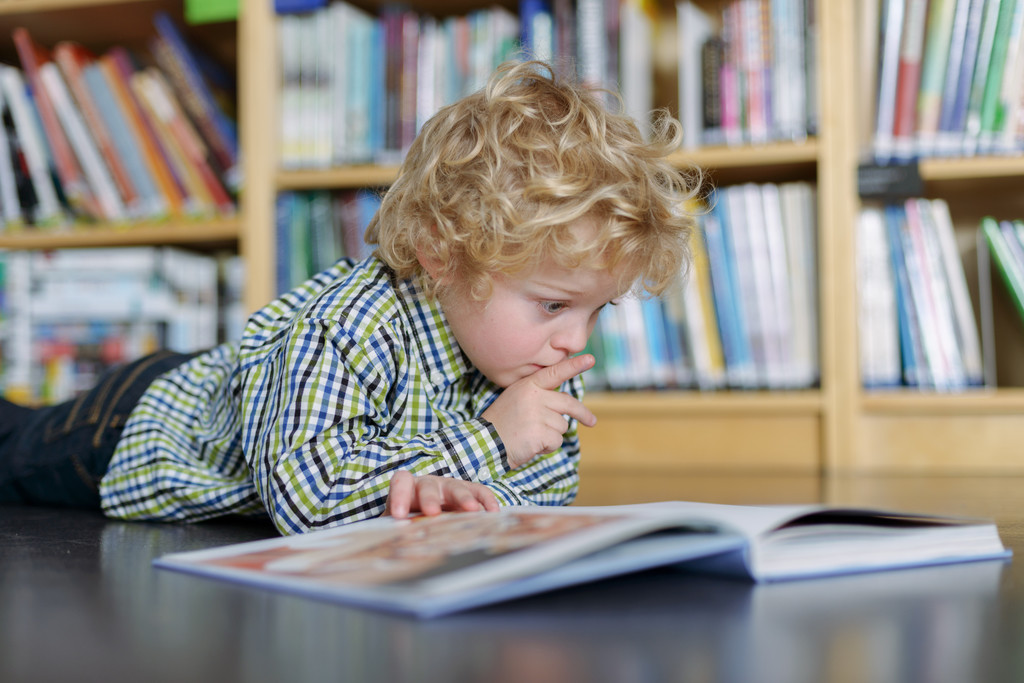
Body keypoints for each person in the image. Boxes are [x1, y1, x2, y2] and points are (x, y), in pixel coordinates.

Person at [0, 60, 697, 535]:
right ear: (442, 253)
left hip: (236, 389)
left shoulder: (527, 366)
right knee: (14, 451)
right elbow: (306, 496)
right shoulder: (351, 323)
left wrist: (457, 489)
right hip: (139, 423)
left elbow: (541, 491)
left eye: (595, 309)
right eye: (552, 304)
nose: (576, 341)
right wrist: (485, 443)